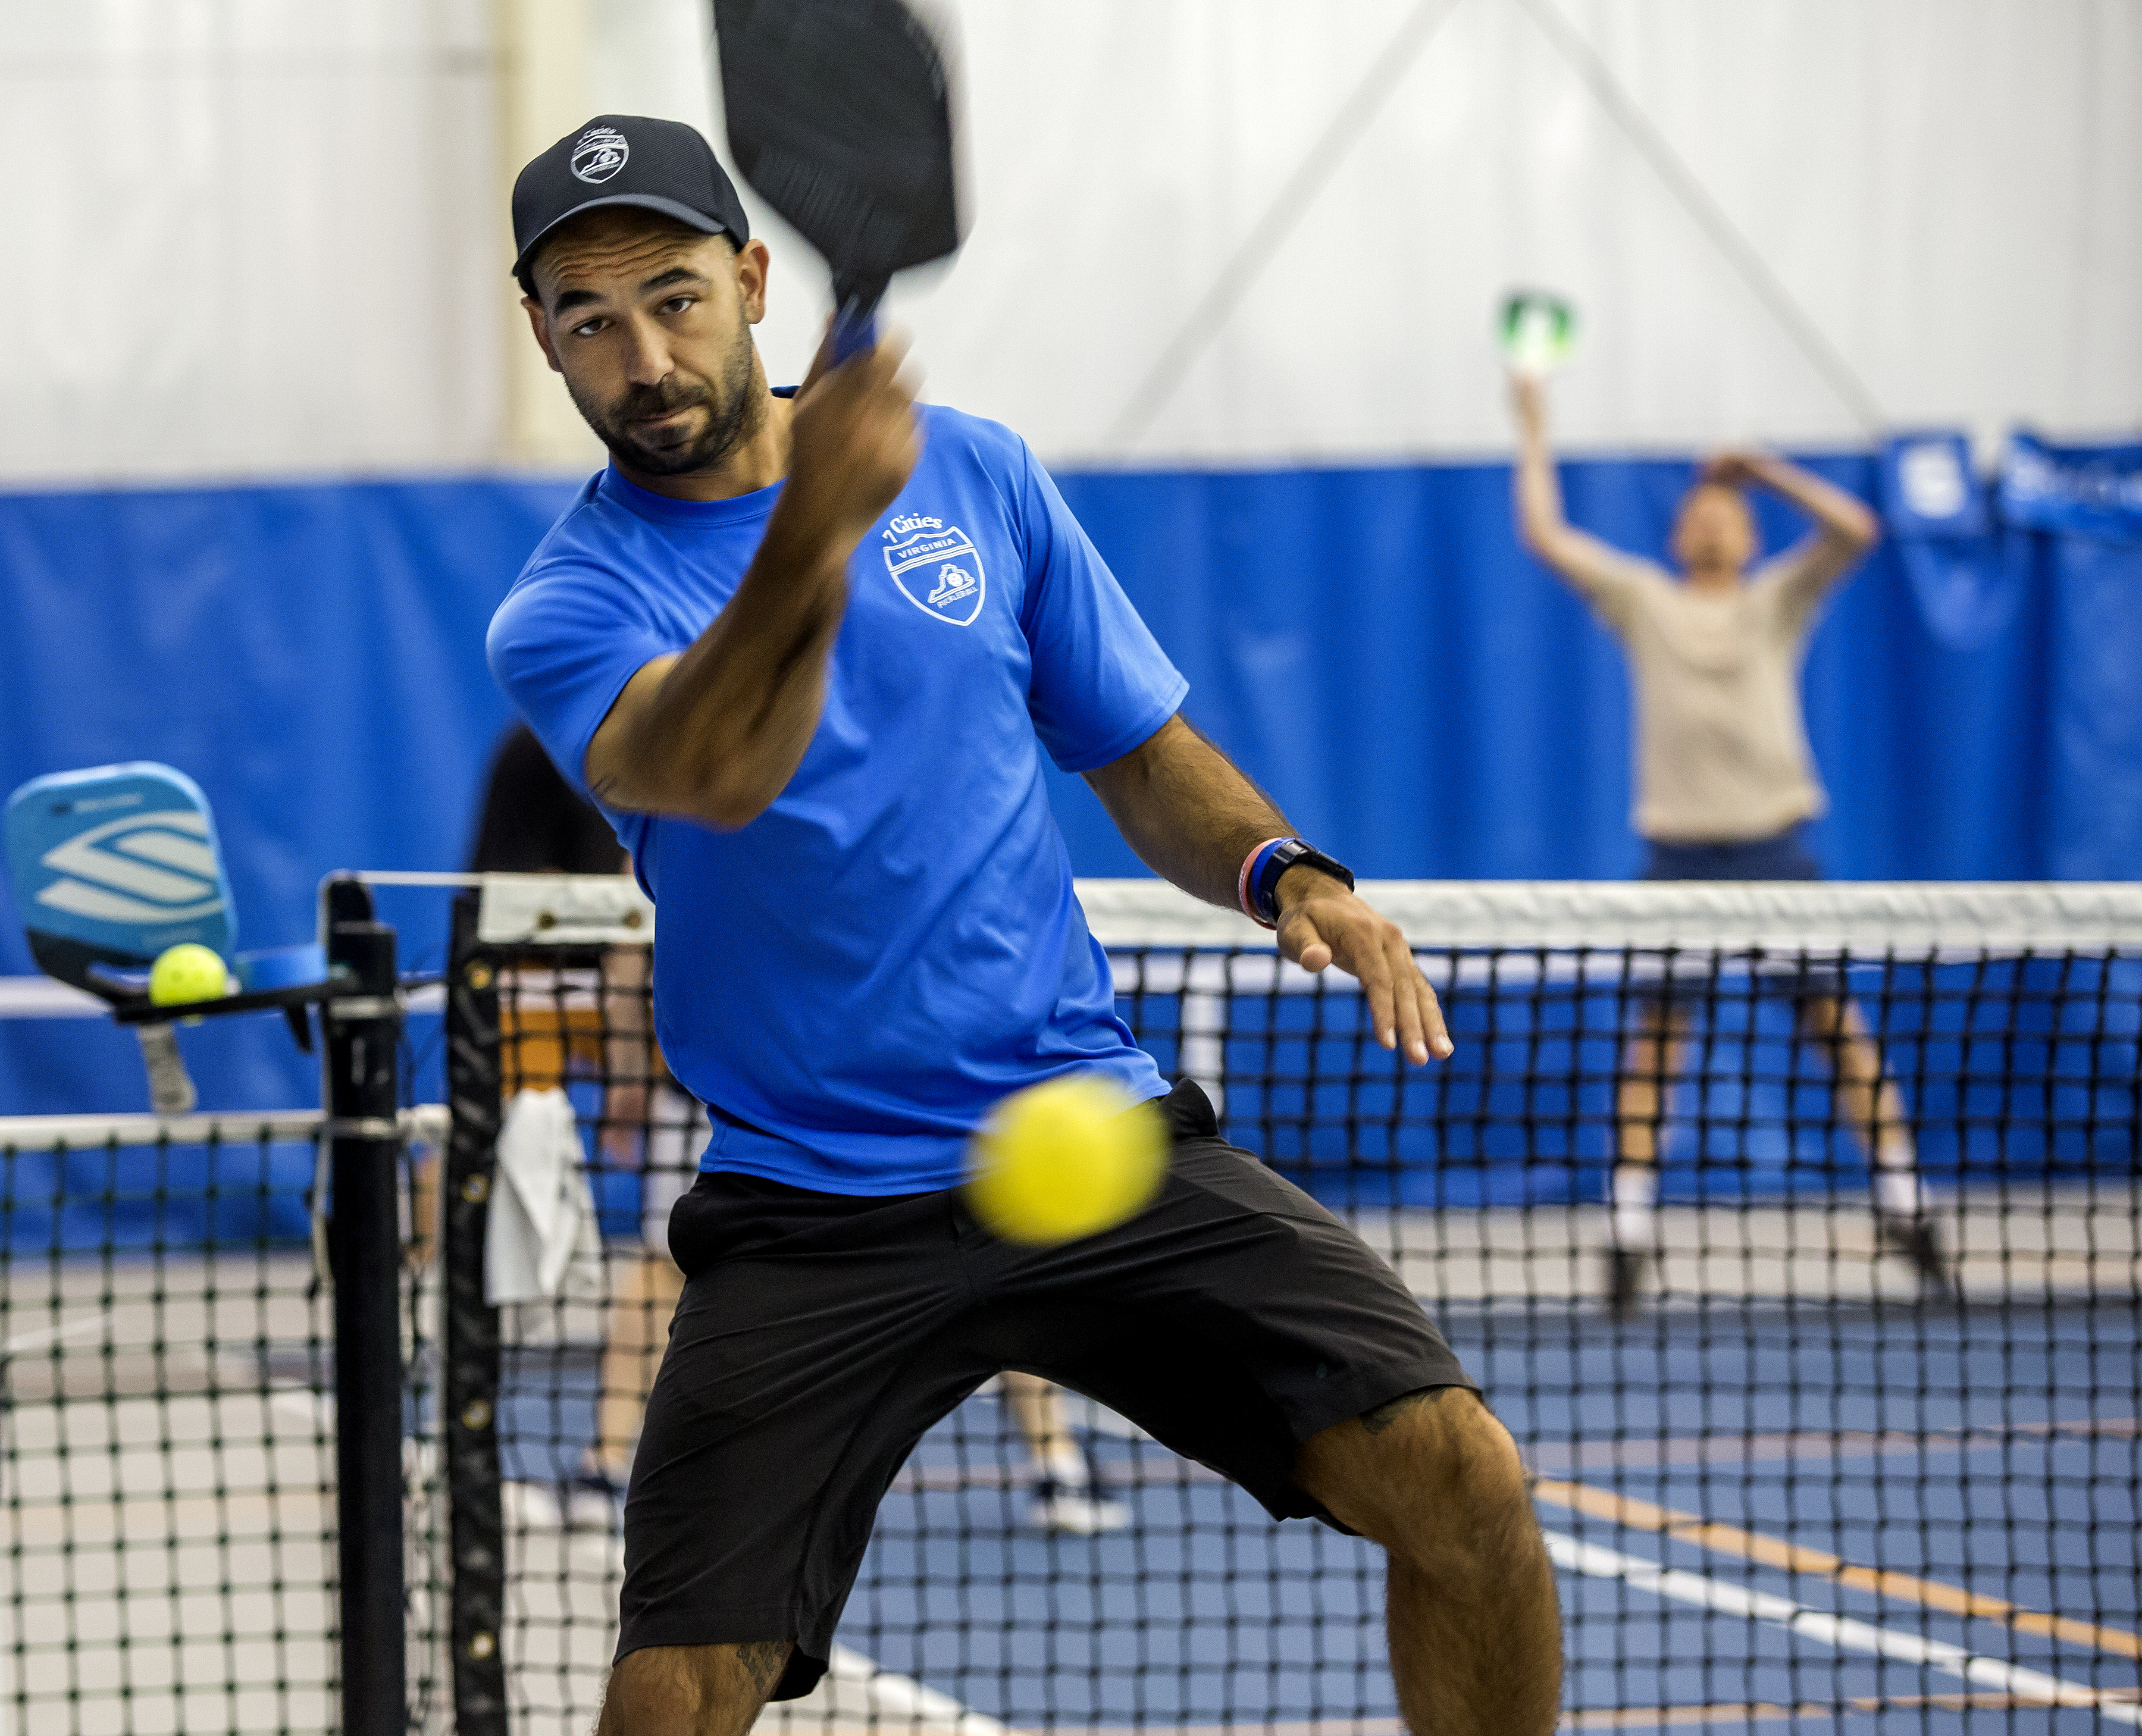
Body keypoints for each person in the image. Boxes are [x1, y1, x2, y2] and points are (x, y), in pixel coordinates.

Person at [490, 115, 1561, 1736]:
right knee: (669, 1696)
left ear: (756, 278)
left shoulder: (976, 471)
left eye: (676, 297)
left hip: (1092, 1135)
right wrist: (817, 529)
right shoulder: (569, 605)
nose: (642, 354)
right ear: (546, 338)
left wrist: (1290, 871)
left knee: (1464, 1486)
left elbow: (1135, 746)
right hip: (809, 1204)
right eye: (590, 318)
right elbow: (718, 764)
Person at [1510, 374, 1958, 1316]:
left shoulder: (1778, 598)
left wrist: (1760, 468)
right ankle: (1629, 1233)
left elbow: (1855, 531)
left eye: (1728, 513)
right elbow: (1547, 536)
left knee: (1840, 1033)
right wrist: (1536, 423)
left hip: (1777, 857)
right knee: (1655, 1049)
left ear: (1749, 538)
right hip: (1679, 865)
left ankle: (1906, 1205)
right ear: (1677, 537)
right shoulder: (1641, 598)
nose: (1712, 524)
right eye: (1699, 512)